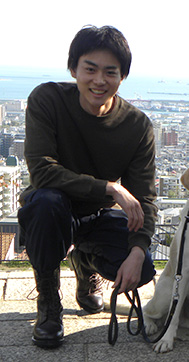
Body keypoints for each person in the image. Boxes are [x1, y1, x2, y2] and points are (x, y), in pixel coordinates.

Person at [17, 25, 157, 349]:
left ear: (122, 77)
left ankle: (85, 262)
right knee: (45, 202)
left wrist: (138, 249)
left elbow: (145, 196)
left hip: (98, 218)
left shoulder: (136, 125)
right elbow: (42, 171)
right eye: (90, 69)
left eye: (111, 72)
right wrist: (109, 188)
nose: (99, 80)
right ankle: (49, 301)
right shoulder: (47, 99)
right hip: (55, 212)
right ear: (73, 69)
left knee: (145, 267)